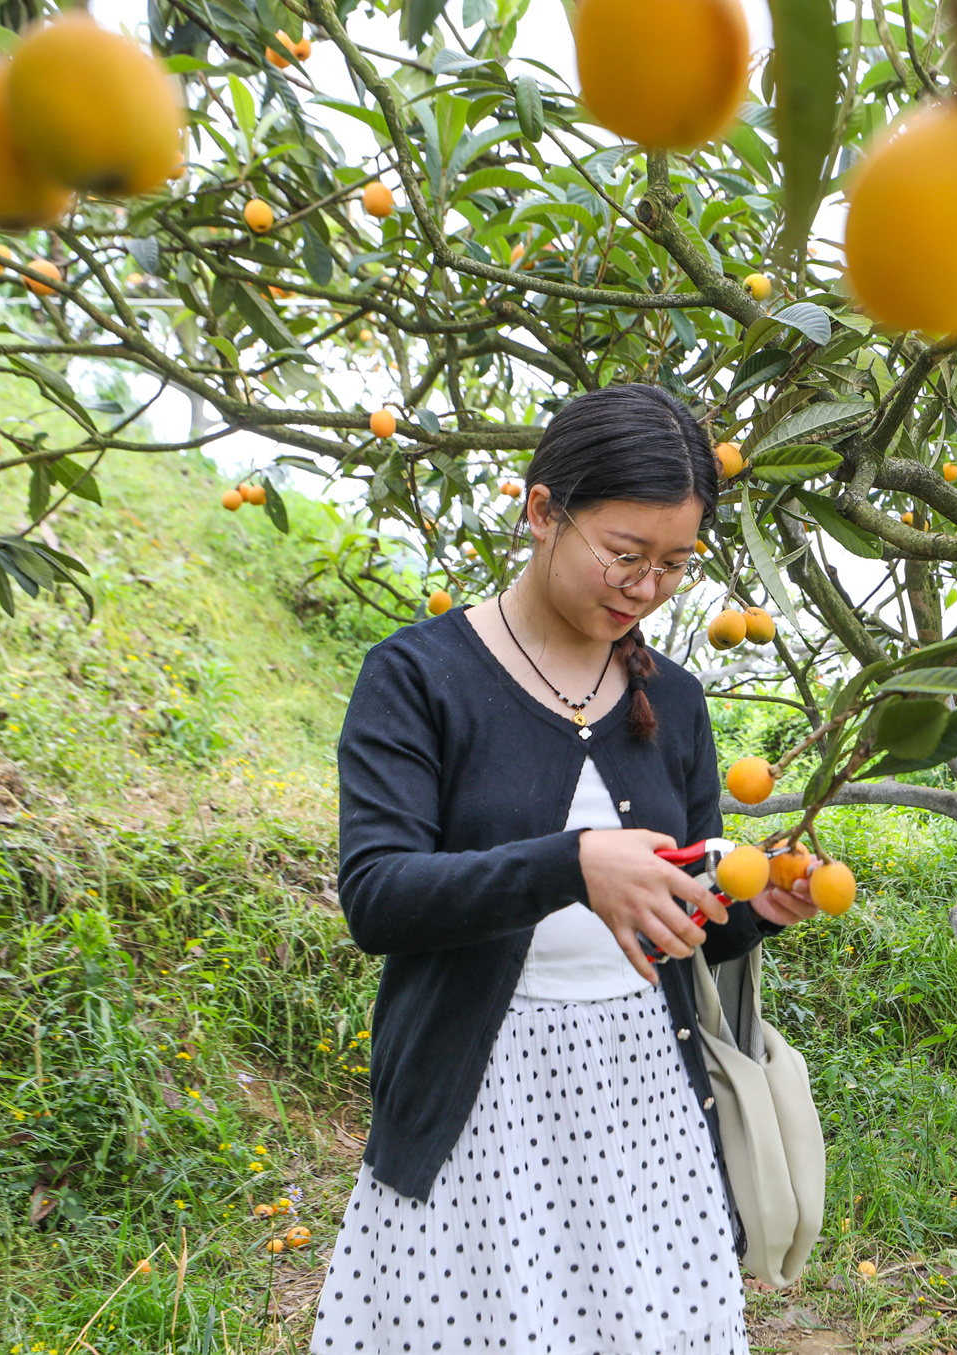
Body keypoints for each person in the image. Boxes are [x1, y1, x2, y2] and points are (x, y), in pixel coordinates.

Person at [310, 384, 818, 1354]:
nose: (646, 587)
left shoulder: (674, 700)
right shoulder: (418, 677)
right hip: (480, 1096)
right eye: (625, 553)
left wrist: (761, 907)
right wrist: (572, 864)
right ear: (543, 511)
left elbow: (685, 923)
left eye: (675, 564)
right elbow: (378, 896)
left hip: (645, 1097)